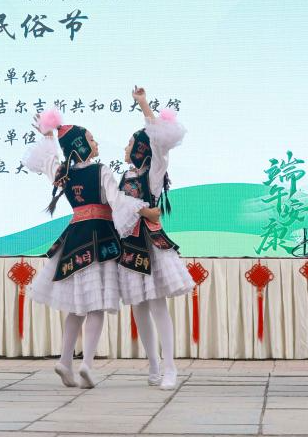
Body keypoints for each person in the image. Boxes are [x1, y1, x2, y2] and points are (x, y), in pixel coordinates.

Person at [23, 109, 151, 389]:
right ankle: (87, 365)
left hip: (74, 239)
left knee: (76, 306)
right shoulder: (101, 170)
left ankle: (64, 360)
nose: (96, 143)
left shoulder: (63, 173)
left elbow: (48, 161)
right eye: (91, 139)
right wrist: (140, 208)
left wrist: (48, 136)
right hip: (100, 238)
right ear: (81, 145)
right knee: (97, 305)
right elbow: (116, 202)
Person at [117, 87, 193, 390]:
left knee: (158, 305)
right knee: (138, 306)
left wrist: (143, 105)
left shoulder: (153, 172)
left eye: (130, 143)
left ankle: (170, 368)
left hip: (151, 244)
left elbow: (159, 144)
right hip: (129, 244)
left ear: (141, 148)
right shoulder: (125, 176)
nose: (125, 147)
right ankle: (153, 365)